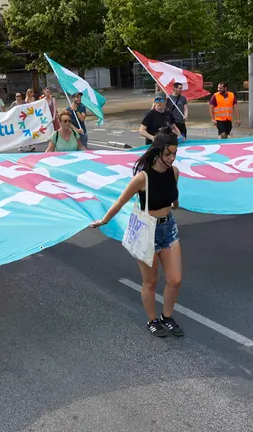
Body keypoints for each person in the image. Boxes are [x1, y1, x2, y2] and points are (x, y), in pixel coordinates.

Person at [90, 126, 183, 337]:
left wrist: (174, 202)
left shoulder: (175, 172)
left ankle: (167, 317)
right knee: (150, 282)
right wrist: (104, 221)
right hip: (147, 231)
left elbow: (174, 197)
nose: (172, 158)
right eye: (168, 153)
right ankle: (152, 320)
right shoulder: (143, 178)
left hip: (169, 229)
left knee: (175, 280)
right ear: (158, 150)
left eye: (175, 153)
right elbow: (120, 202)